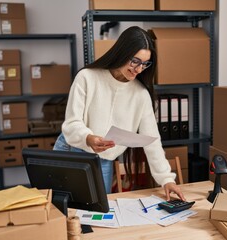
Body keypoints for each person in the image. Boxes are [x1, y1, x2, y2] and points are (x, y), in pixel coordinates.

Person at [53, 26, 185, 201]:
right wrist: (88, 138)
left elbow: (152, 140)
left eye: (145, 64)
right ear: (122, 53)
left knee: (97, 213)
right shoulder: (87, 77)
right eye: (135, 61)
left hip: (103, 159)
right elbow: (71, 123)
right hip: (72, 148)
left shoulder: (140, 94)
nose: (139, 69)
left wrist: (166, 179)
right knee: (61, 210)